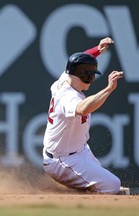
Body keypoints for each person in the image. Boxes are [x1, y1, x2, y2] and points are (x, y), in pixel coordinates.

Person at [42, 37, 127, 194]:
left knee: (111, 185)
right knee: (114, 185)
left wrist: (98, 50)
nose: (93, 79)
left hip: (80, 151)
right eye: (92, 75)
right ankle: (78, 199)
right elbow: (82, 108)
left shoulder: (65, 79)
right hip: (63, 160)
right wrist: (108, 89)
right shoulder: (67, 96)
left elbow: (76, 62)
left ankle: (92, 190)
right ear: (84, 75)